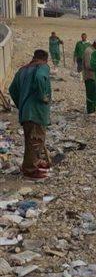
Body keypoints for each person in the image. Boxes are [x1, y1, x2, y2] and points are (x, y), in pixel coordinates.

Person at [8, 50, 52, 180]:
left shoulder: (23, 70)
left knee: (30, 140)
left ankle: (33, 162)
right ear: (45, 59)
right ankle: (30, 170)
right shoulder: (42, 67)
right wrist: (42, 96)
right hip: (36, 111)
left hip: (26, 111)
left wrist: (21, 104)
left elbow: (12, 89)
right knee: (36, 140)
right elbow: (39, 78)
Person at [82, 39, 96, 115]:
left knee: (94, 93)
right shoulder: (89, 51)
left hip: (94, 77)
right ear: (95, 44)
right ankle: (90, 111)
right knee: (90, 94)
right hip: (89, 76)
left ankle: (93, 109)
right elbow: (88, 65)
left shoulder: (93, 50)